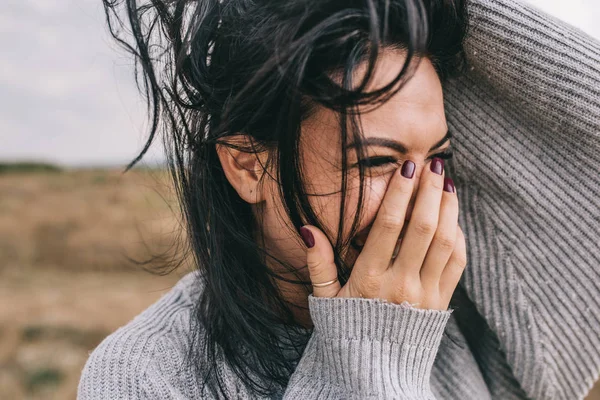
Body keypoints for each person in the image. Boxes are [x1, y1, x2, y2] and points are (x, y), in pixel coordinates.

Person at [78, 0, 600, 398]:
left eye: (437, 158)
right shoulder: (146, 375)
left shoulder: (473, 312)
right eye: (375, 162)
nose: (418, 202)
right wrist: (376, 351)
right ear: (246, 164)